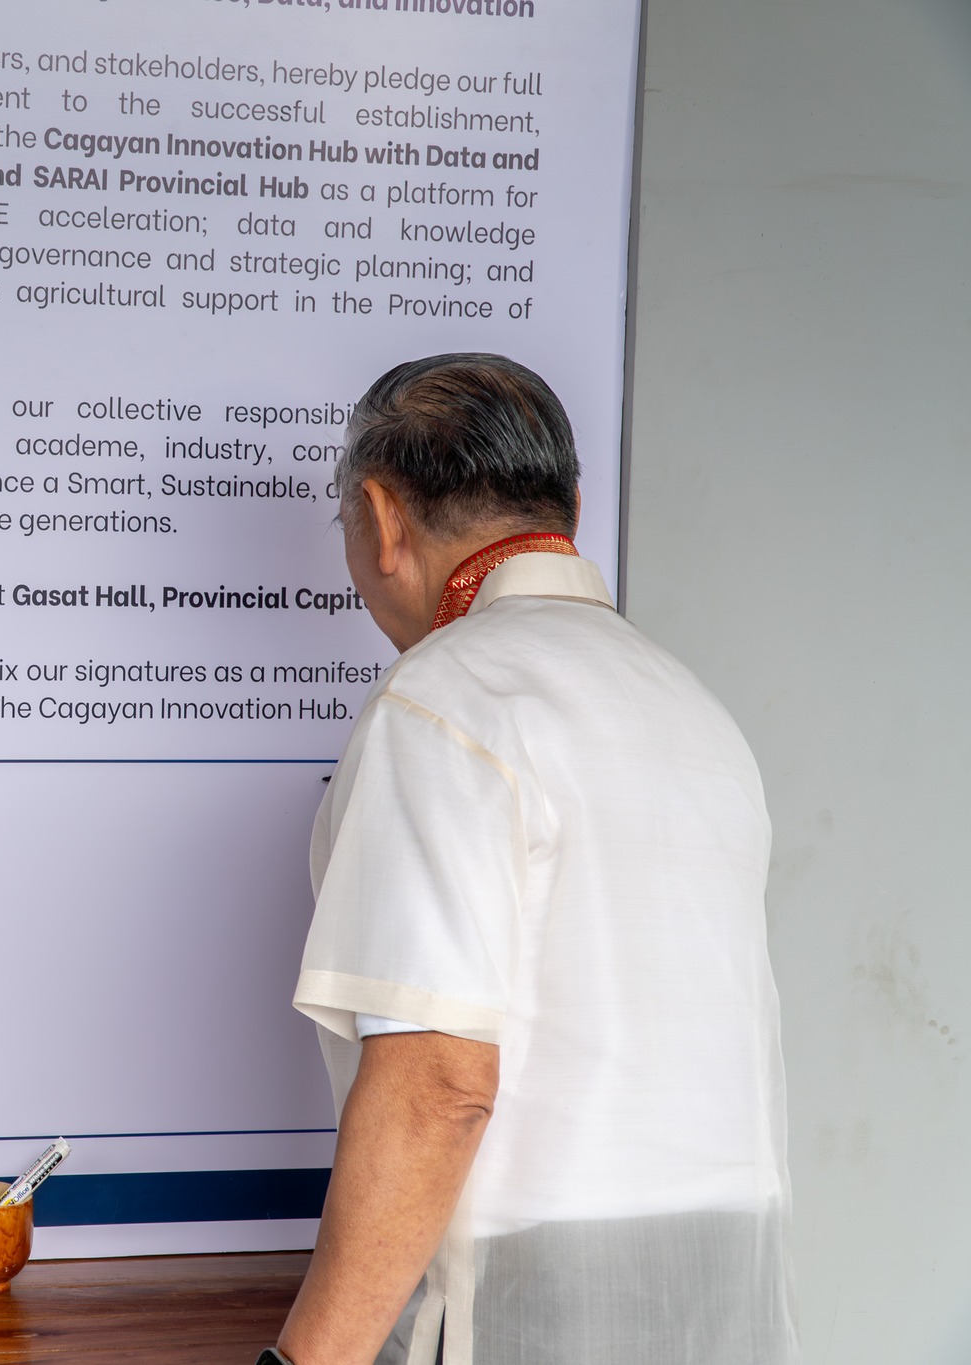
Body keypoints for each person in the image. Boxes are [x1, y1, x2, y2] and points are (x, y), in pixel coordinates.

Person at [268, 356, 801, 1365]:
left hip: (524, 1304)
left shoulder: (441, 699)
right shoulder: (691, 706)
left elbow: (437, 1086)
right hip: (724, 1297)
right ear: (571, 510)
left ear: (380, 519)